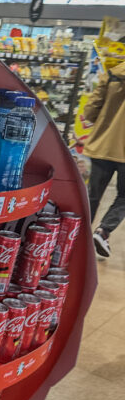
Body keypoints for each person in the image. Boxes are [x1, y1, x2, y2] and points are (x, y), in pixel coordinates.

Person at [83, 60, 125, 257]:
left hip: (104, 143)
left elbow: (91, 111)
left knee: (92, 195)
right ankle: (103, 231)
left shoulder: (112, 72)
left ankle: (78, 236)